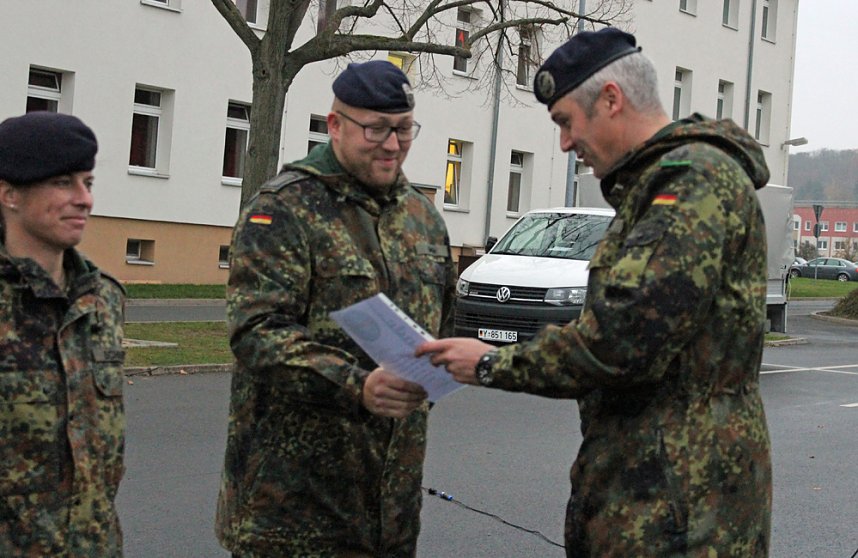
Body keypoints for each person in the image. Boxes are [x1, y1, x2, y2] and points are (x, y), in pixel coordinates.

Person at [418, 28, 772, 557]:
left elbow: (624, 341)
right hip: (656, 496)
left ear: (611, 99)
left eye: (565, 121)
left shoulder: (692, 182)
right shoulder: (657, 184)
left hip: (682, 510)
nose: (564, 144)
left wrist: (491, 362)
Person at [215, 60, 457, 557]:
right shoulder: (285, 208)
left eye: (404, 129)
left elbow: (440, 323)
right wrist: (356, 384)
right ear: (335, 125)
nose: (393, 145)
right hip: (292, 512)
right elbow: (256, 331)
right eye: (376, 129)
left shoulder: (423, 218)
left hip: (389, 513)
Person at [0, 112, 126, 556]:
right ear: (9, 194)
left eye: (87, 183)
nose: (84, 199)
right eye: (62, 183)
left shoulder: (103, 300)